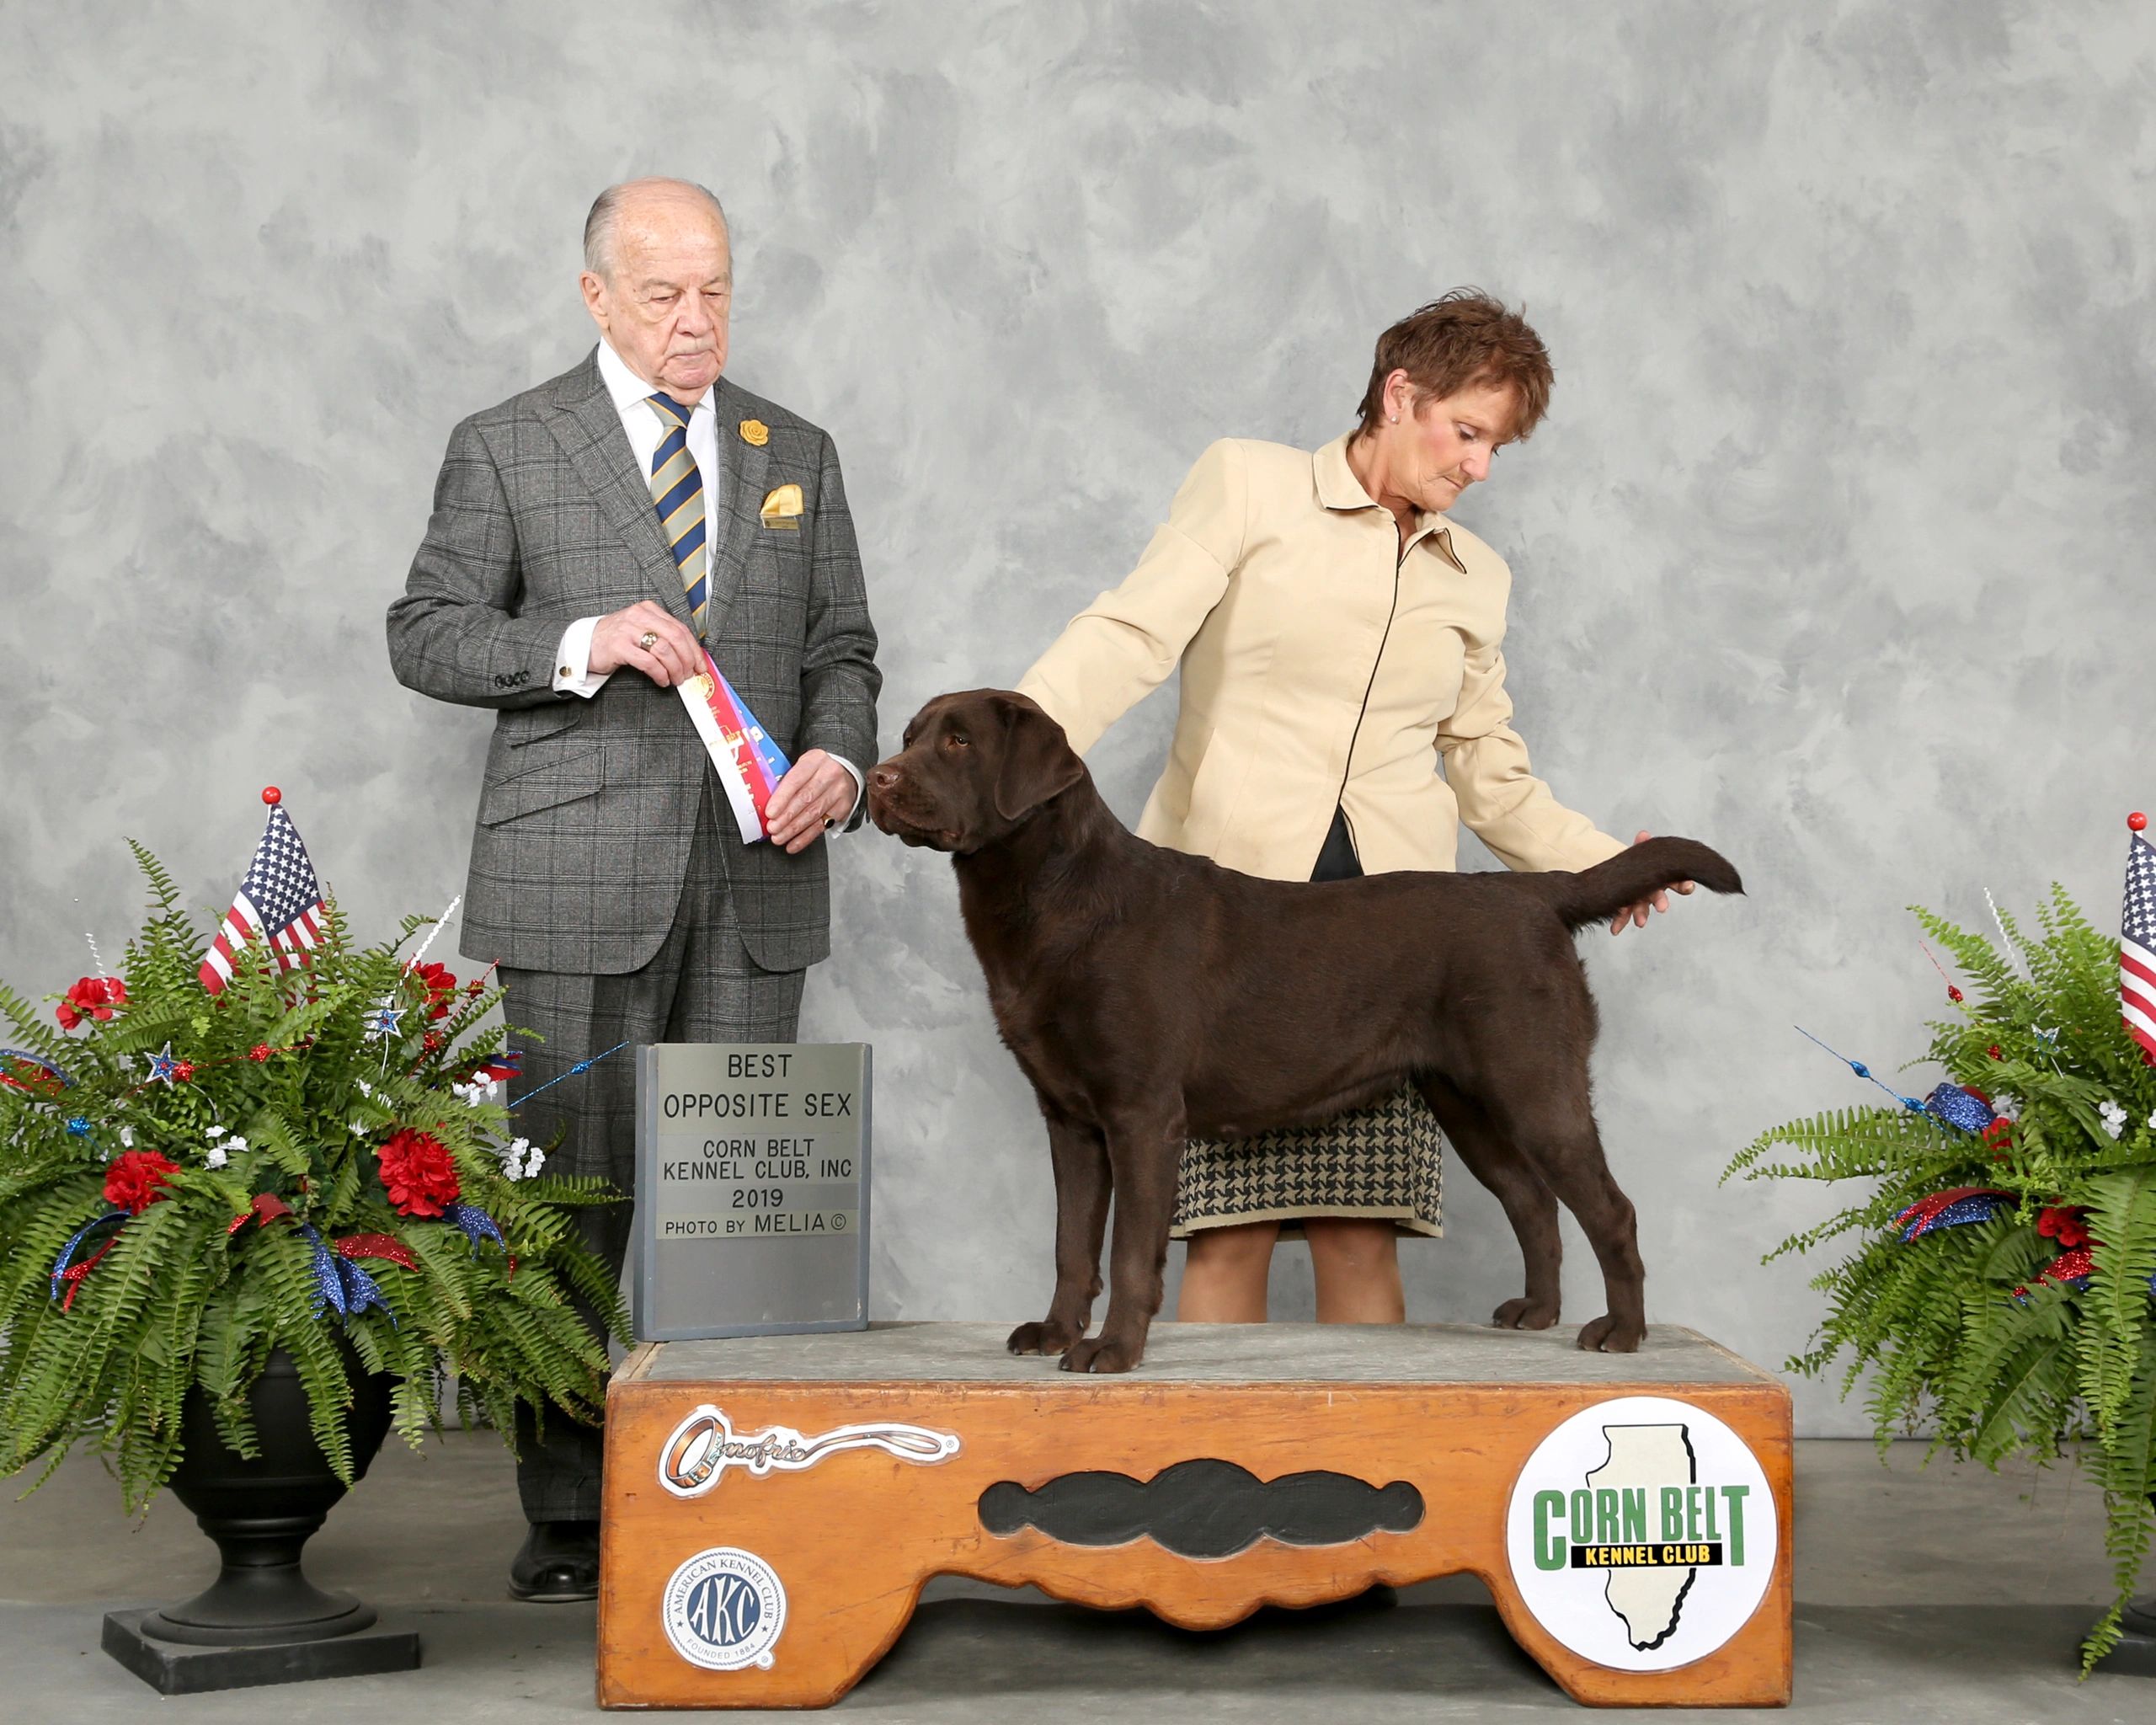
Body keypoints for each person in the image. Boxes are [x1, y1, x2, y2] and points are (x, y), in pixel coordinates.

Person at [386, 179, 879, 1601]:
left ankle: (731, 1495)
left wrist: (841, 760)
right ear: (596, 296)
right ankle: (567, 1512)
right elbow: (425, 633)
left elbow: (844, 650)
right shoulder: (508, 442)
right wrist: (584, 639)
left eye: (715, 290)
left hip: (759, 877)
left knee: (742, 1213)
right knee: (569, 1201)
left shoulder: (798, 449)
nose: (695, 320)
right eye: (663, 295)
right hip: (571, 880)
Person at [1016, 289, 1685, 1332]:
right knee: (1227, 1237)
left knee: (1358, 1231)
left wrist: (1605, 859)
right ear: (1398, 394)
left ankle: (1369, 1442)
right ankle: (1214, 1441)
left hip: (1383, 954)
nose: (1480, 467)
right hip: (1224, 942)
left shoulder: (1476, 574)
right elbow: (1131, 633)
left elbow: (1486, 764)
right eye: (1467, 432)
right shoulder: (1250, 484)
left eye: (1496, 446)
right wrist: (1012, 748)